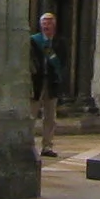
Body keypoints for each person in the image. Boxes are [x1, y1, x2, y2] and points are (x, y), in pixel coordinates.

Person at [29, 11, 64, 159]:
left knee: (50, 117)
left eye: (49, 23)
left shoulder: (59, 42)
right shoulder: (34, 41)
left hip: (51, 83)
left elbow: (62, 61)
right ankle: (28, 145)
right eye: (44, 23)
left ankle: (47, 146)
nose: (46, 25)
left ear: (54, 25)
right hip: (36, 83)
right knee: (31, 115)